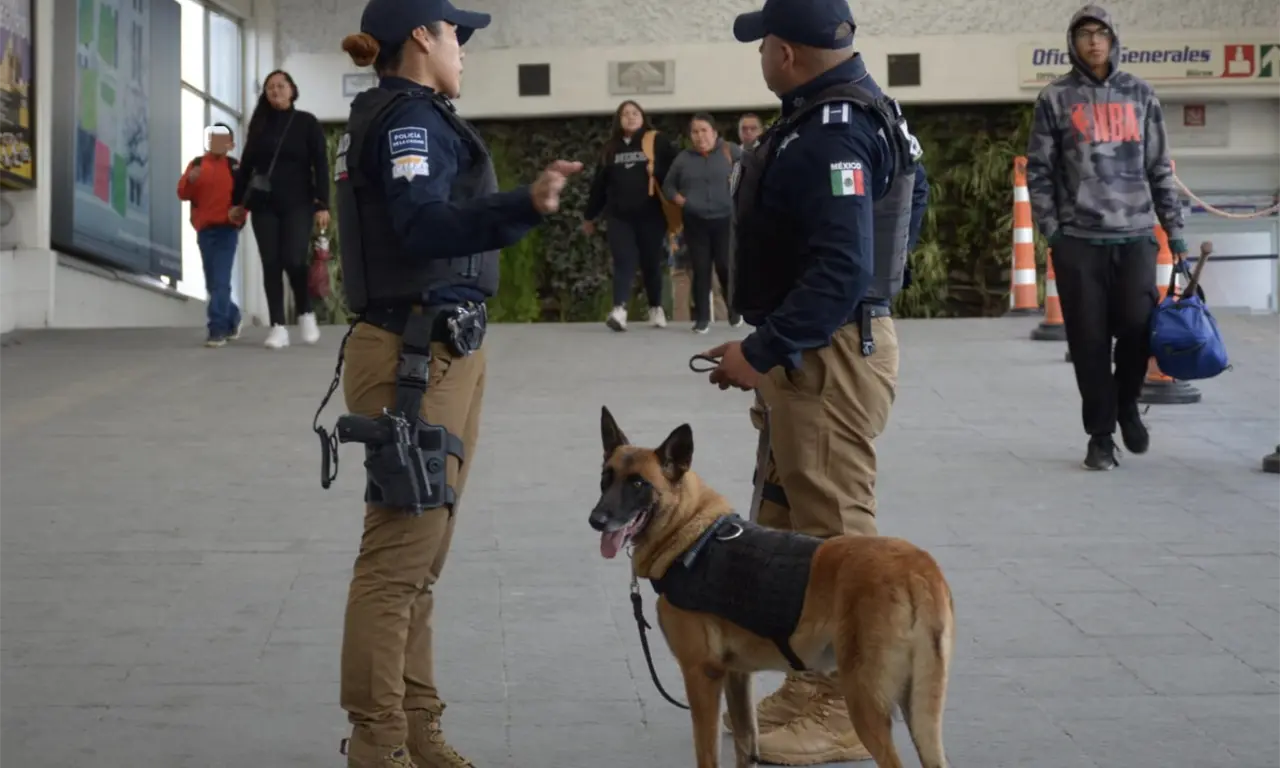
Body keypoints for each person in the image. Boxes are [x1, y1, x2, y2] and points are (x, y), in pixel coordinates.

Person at [330, 1, 581, 766]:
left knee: (420, 562)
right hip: (415, 358)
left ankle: (415, 727)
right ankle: (379, 746)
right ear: (420, 39)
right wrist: (520, 207)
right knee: (397, 561)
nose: (463, 50)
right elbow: (421, 226)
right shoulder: (407, 122)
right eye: (454, 35)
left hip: (440, 351)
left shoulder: (418, 115)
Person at [699, 0, 924, 763]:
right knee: (794, 527)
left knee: (834, 536)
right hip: (817, 349)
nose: (760, 56)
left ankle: (843, 707)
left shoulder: (834, 129)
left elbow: (841, 268)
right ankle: (809, 676)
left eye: (764, 43)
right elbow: (899, 223)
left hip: (824, 355)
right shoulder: (855, 113)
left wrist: (763, 349)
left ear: (787, 52)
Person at [1025, 4, 1185, 471]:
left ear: (1114, 39)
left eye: (1101, 33)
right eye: (1084, 34)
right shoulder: (1055, 98)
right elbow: (1039, 169)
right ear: (1072, 43)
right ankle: (1100, 436)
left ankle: (1127, 405)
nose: (1093, 42)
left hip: (1135, 236)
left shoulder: (1140, 94)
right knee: (1089, 341)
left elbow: (1160, 167)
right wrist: (1052, 231)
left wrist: (1174, 230)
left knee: (1138, 331)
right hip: (1078, 241)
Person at [231, 69, 330, 350]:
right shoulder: (259, 125)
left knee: (293, 259)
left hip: (299, 203)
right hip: (264, 205)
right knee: (271, 262)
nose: (275, 91)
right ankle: (277, 326)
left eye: (280, 85)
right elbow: (246, 166)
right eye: (269, 87)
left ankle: (305, 311)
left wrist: (322, 203)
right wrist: (236, 203)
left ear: (292, 89)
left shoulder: (306, 123)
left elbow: (320, 165)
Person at [581, 100, 680, 332]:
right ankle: (619, 310)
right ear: (619, 119)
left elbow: (676, 170)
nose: (631, 117)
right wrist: (590, 216)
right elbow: (599, 184)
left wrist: (657, 172)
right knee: (623, 261)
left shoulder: (656, 141)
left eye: (635, 113)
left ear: (643, 117)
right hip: (619, 216)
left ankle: (656, 307)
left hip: (651, 215)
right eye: (625, 114)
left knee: (651, 263)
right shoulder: (610, 148)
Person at [662, 113, 742, 332]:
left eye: (704, 131)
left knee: (725, 266)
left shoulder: (730, 151)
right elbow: (668, 186)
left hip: (724, 219)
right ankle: (703, 319)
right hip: (695, 221)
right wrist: (680, 200)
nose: (700, 136)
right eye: (695, 132)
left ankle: (734, 311)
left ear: (714, 133)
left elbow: (750, 172)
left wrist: (736, 184)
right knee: (700, 268)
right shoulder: (683, 159)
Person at [177, 122, 244, 347]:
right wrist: (190, 180)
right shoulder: (197, 165)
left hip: (227, 230)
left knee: (221, 280)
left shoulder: (235, 167)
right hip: (205, 231)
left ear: (230, 144)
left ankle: (217, 329)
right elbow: (183, 193)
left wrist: (240, 213)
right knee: (213, 283)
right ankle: (233, 316)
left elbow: (246, 196)